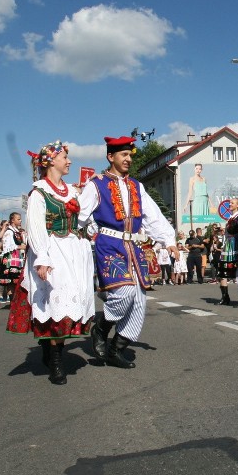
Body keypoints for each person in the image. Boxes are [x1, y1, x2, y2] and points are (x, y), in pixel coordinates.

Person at [79, 136, 177, 369]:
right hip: (110, 244)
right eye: (123, 155)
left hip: (134, 247)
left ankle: (116, 349)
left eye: (130, 155)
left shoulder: (136, 185)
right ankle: (101, 327)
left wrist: (168, 239)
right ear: (110, 157)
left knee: (139, 301)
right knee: (124, 294)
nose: (128, 159)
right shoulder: (97, 184)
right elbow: (80, 215)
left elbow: (152, 215)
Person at [8, 141, 96, 384]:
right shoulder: (38, 193)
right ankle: (56, 361)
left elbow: (84, 218)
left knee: (72, 301)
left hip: (75, 251)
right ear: (50, 161)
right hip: (53, 251)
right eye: (65, 157)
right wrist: (43, 259)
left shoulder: (72, 190)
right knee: (58, 305)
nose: (69, 161)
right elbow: (35, 228)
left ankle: (51, 349)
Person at [215, 197, 238, 305]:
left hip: (236, 245)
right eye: (230, 202)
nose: (230, 204)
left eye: (232, 203)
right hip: (228, 245)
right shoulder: (230, 217)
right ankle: (225, 297)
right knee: (222, 272)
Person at [0, 212, 26, 303]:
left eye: (20, 219)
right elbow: (7, 246)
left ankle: (15, 299)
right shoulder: (9, 232)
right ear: (12, 220)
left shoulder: (16, 231)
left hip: (17, 258)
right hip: (11, 259)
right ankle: (12, 300)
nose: (20, 220)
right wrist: (20, 247)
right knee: (11, 281)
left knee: (16, 280)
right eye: (18, 219)